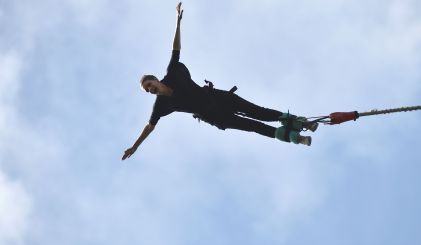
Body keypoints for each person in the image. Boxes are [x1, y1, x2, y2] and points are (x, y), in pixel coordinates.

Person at [122, 2, 317, 160]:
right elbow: (149, 127)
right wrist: (135, 146)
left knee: (259, 112)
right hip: (214, 116)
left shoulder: (172, 72)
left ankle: (301, 122)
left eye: (150, 85)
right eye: (148, 90)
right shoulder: (161, 106)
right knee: (254, 127)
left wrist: (177, 23)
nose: (150, 90)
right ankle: (296, 138)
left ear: (155, 80)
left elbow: (175, 49)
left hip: (219, 98)